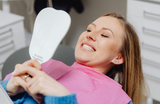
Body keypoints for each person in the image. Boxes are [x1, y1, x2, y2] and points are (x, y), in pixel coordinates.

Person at [0, 12, 147, 104]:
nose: (89, 34)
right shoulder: (45, 65)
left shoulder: (116, 98)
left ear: (118, 57)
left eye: (104, 34)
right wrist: (7, 89)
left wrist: (62, 99)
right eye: (89, 29)